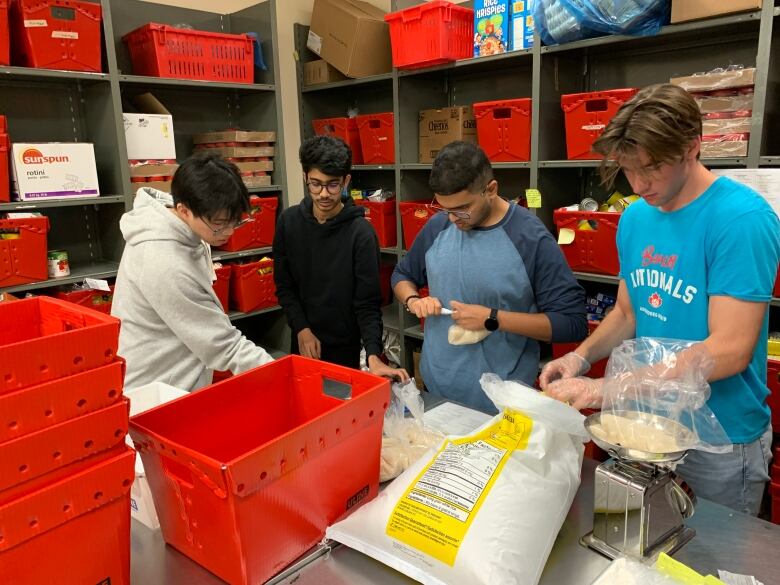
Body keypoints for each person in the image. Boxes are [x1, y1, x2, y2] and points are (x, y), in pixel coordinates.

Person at [540, 83, 780, 515]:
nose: (639, 182)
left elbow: (729, 351)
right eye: (628, 169)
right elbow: (628, 312)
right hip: (646, 427)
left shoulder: (741, 219)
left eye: (651, 168)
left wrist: (607, 388)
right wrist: (580, 358)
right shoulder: (634, 217)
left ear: (692, 147)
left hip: (721, 439)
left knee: (711, 569)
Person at [392, 141, 587, 413]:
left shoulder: (530, 238)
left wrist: (493, 318)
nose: (452, 219)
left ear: (490, 190)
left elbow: (572, 322)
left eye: (461, 209)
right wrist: (412, 299)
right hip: (437, 391)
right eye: (445, 209)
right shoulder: (438, 226)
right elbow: (402, 275)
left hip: (504, 402)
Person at [112, 152, 274, 392]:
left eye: (235, 221)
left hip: (178, 376)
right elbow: (224, 345)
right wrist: (282, 374)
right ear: (184, 210)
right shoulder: (164, 261)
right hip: (157, 392)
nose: (229, 231)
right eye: (219, 223)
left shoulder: (181, 222)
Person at [273, 135, 408, 381]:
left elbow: (367, 303)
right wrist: (302, 329)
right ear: (305, 178)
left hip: (345, 349)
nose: (324, 194)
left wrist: (374, 355)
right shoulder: (288, 222)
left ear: (346, 181)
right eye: (315, 184)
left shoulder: (361, 234)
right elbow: (284, 286)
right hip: (303, 341)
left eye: (332, 185)